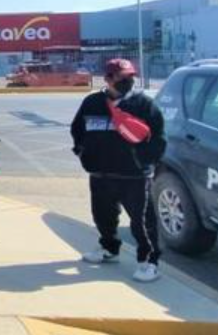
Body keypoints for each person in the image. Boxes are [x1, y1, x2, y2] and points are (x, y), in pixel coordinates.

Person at [71, 58, 166, 283]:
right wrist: (83, 154)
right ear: (108, 79)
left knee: (141, 222)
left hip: (133, 176)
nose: (128, 81)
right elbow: (78, 130)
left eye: (131, 77)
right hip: (100, 174)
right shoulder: (92, 103)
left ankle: (149, 261)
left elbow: (159, 139)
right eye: (122, 78)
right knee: (103, 216)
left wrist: (143, 161)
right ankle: (109, 248)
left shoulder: (144, 105)